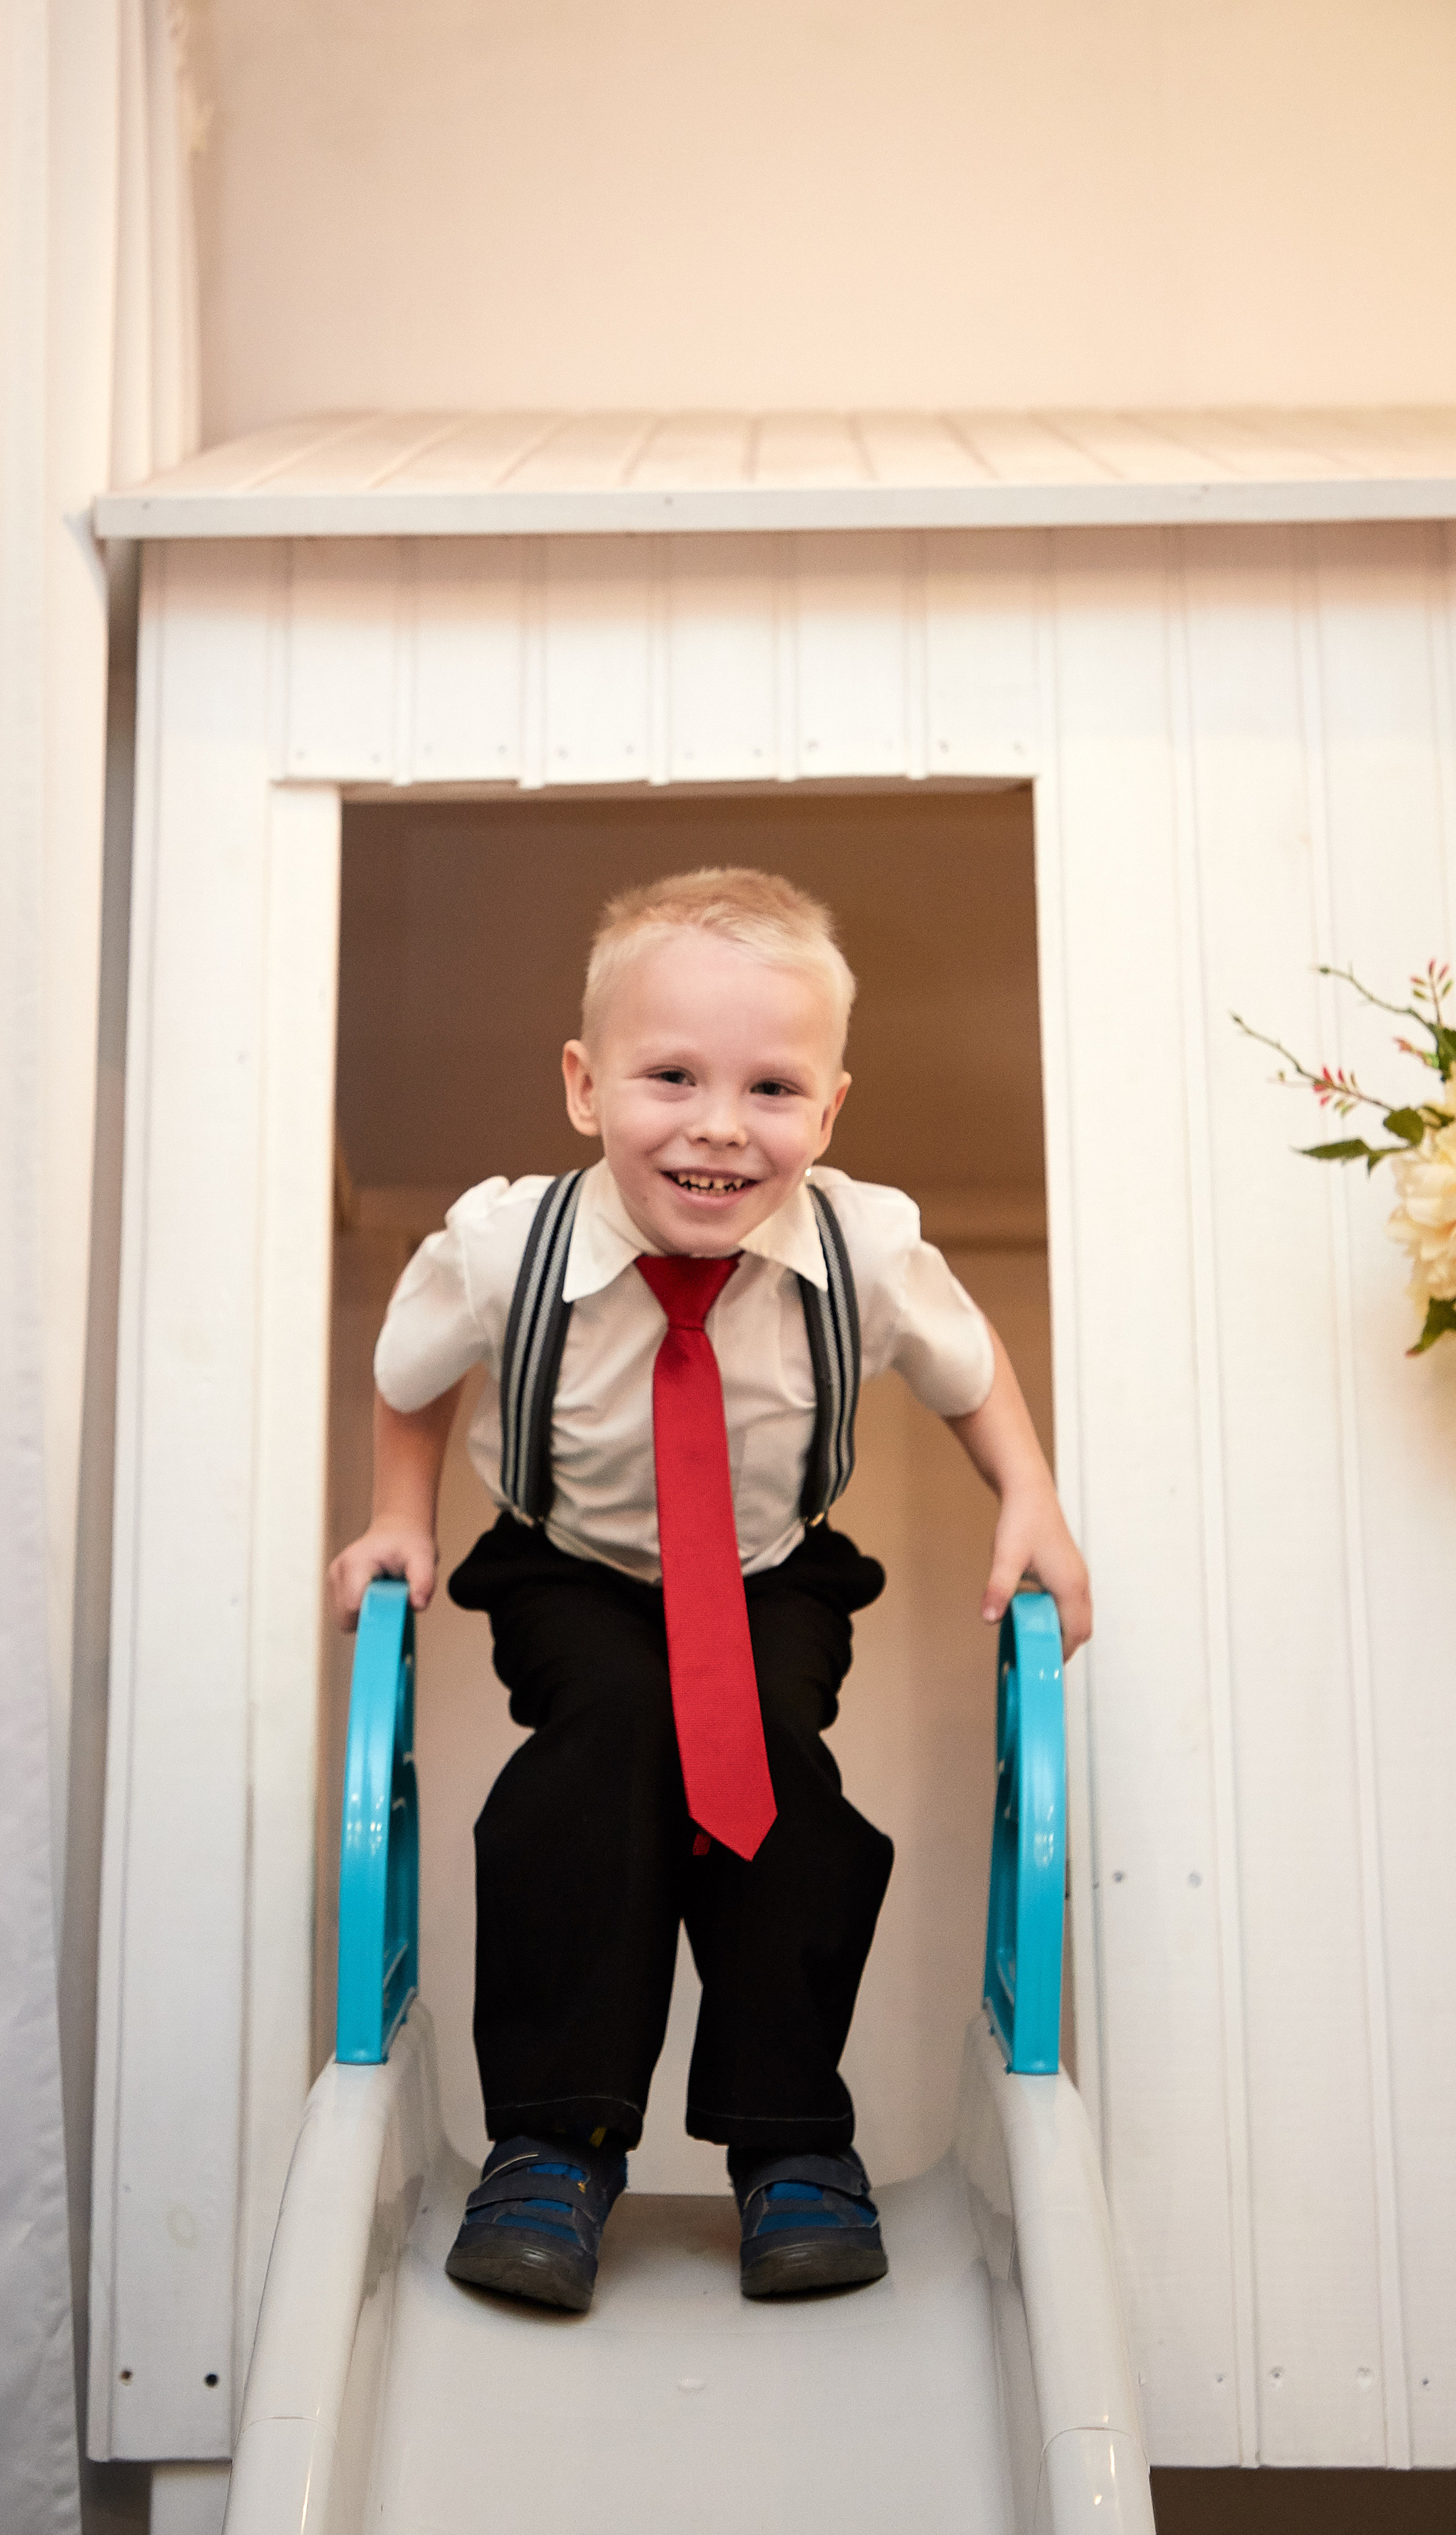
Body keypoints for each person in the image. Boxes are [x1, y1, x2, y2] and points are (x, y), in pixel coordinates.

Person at [327, 868, 1090, 2314]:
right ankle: (553, 2143)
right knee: (607, 1748)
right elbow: (408, 1374)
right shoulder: (507, 1247)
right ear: (581, 1083)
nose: (719, 1126)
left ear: (831, 1109)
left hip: (767, 1572)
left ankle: (789, 2144)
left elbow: (966, 1364)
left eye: (771, 1087)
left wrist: (1029, 1497)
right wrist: (396, 1521)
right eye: (669, 1076)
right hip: (576, 1566)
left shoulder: (858, 1245)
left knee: (773, 1794)